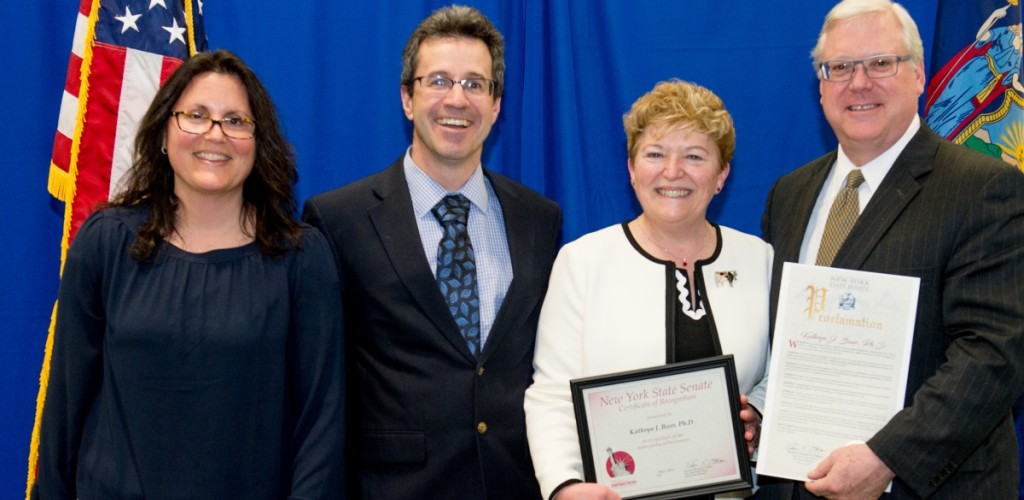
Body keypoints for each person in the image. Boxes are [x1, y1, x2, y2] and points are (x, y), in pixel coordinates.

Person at [31, 50, 344, 499]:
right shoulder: (106, 244)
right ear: (164, 133)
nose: (215, 134)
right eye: (196, 116)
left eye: (236, 121)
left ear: (259, 143)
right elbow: (64, 408)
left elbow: (321, 424)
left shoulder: (300, 258)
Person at [759, 0, 1024, 497]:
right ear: (821, 86)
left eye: (881, 63)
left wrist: (887, 457)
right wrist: (758, 409)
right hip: (795, 481)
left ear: (919, 74)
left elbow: (994, 352)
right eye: (840, 67)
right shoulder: (789, 195)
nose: (859, 83)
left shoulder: (983, 188)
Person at [302, 5, 561, 499]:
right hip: (392, 488)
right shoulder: (338, 220)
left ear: (496, 104)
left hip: (514, 485)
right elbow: (319, 385)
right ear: (407, 98)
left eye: (475, 84)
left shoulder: (539, 219)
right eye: (438, 81)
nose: (456, 99)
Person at [524, 80, 772, 500]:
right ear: (631, 168)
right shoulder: (583, 261)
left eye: (694, 156)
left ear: (721, 175)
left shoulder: (759, 259)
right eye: (655, 154)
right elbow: (552, 393)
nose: (672, 172)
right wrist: (565, 485)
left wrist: (759, 415)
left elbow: (778, 374)